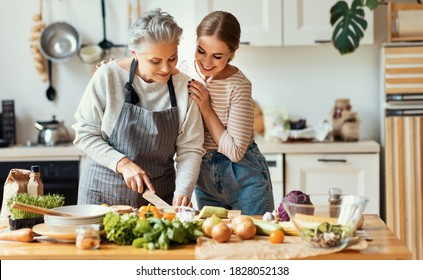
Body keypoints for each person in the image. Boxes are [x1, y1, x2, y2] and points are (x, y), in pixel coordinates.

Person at [72, 9, 205, 208]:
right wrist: (123, 163)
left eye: (172, 58)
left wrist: (183, 191)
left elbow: (190, 149)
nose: (166, 69)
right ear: (134, 54)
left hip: (158, 200)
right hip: (102, 195)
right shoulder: (108, 76)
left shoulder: (184, 87)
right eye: (155, 61)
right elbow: (84, 134)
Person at [182, 11, 274, 215]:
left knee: (255, 243)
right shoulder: (184, 72)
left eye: (217, 56)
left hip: (244, 177)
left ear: (232, 53)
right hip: (203, 177)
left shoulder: (239, 85)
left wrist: (206, 109)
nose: (206, 62)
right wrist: (113, 69)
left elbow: (235, 152)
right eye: (201, 50)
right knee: (215, 242)